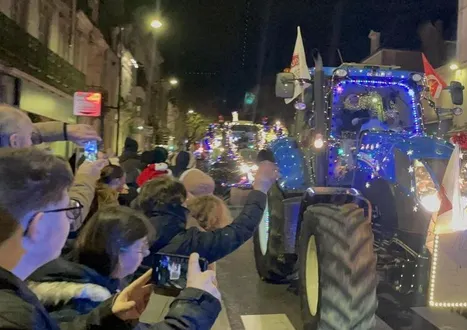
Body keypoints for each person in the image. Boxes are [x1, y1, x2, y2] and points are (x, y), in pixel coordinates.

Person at [0, 148, 223, 329]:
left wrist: (108, 316)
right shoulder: (14, 315)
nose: (72, 220)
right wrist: (196, 305)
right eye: (68, 210)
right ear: (38, 226)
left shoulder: (15, 297)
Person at [134, 161, 278, 269]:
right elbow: (240, 230)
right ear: (181, 203)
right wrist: (260, 188)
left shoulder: (129, 230)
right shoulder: (186, 241)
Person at [0, 104, 107, 231]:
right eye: (30, 137)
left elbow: (9, 130)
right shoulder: (20, 184)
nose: (32, 144)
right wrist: (87, 175)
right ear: (15, 141)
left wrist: (64, 131)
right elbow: (69, 216)